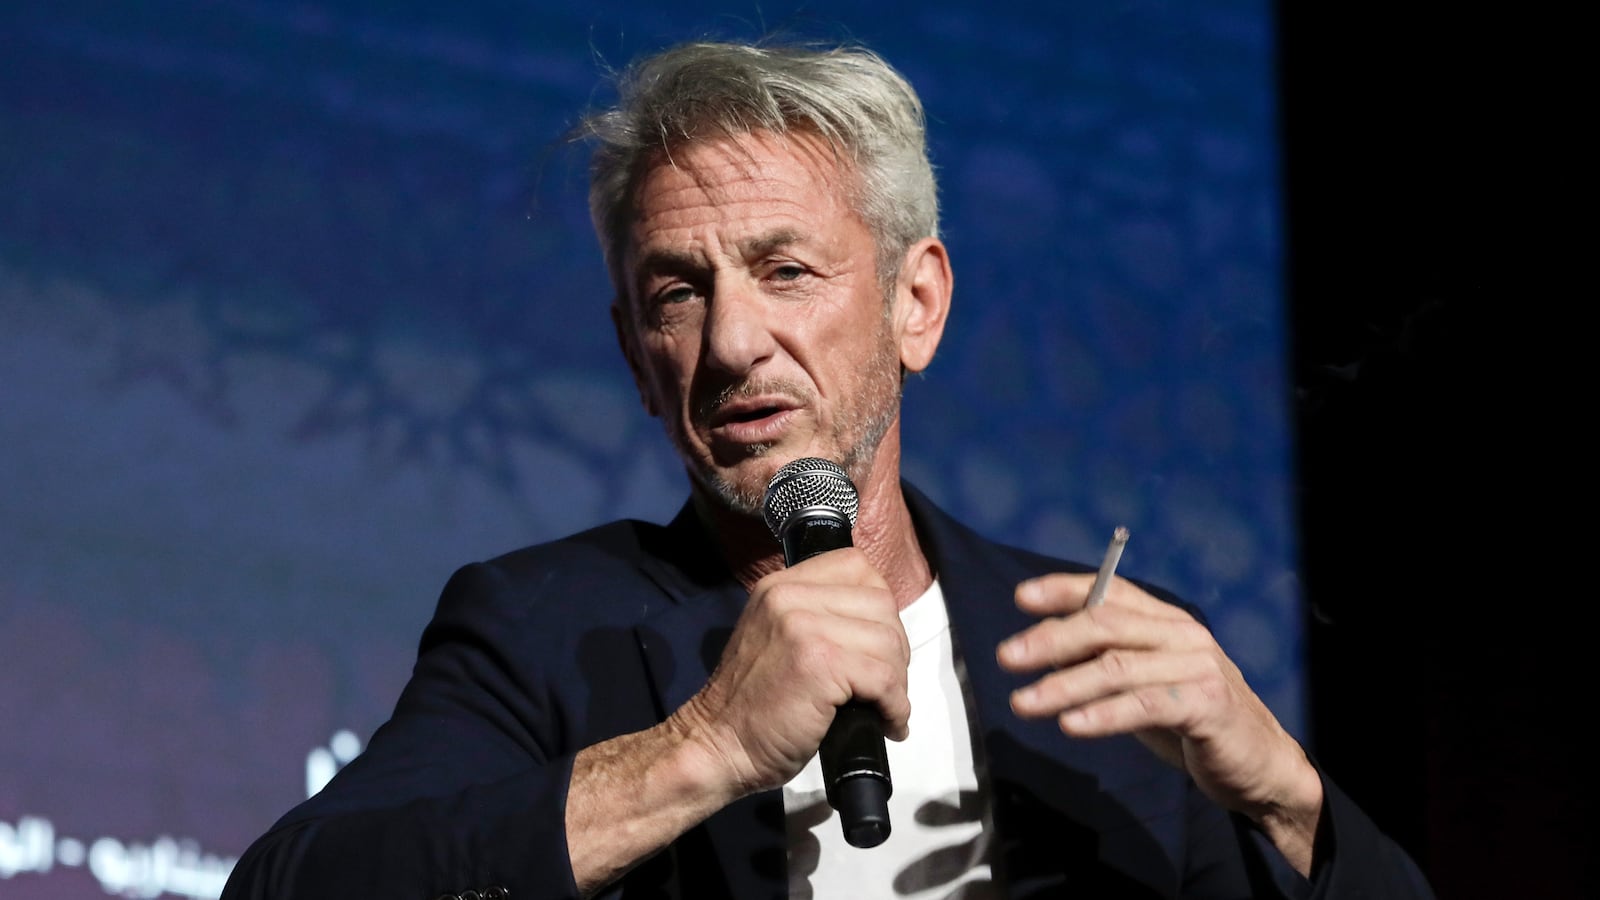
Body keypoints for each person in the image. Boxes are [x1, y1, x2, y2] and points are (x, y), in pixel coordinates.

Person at [222, 40, 1433, 900]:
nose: (732, 341)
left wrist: (1287, 797)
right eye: (677, 293)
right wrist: (705, 745)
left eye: (785, 271)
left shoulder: (1106, 651)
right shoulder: (544, 630)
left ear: (917, 304)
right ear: (636, 361)